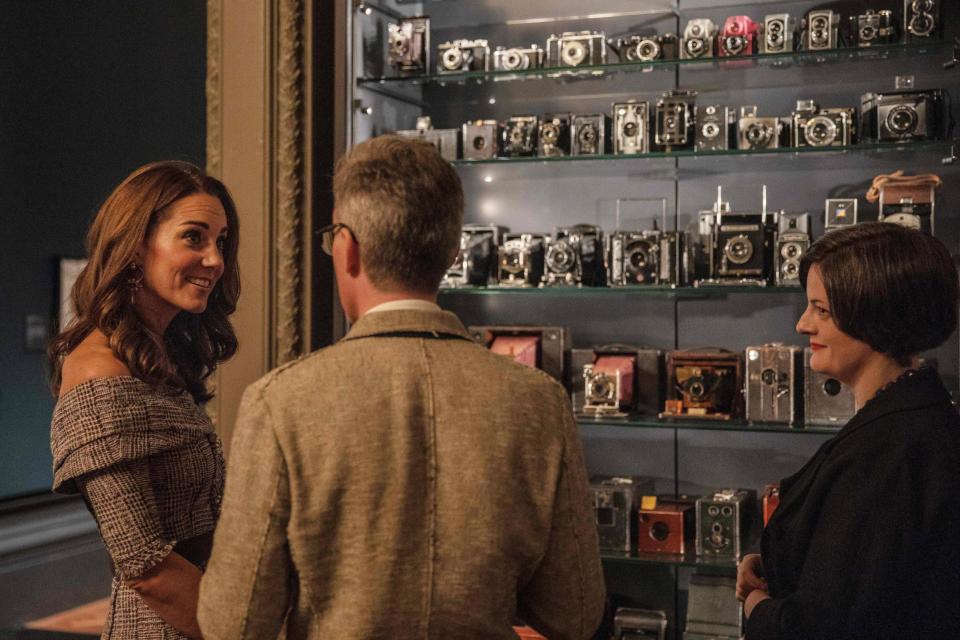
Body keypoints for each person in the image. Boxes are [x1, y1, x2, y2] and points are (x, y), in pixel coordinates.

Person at [197, 135, 605, 640]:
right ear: (453, 253)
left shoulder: (282, 402)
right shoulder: (538, 401)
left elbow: (233, 624)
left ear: (347, 249)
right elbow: (576, 611)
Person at [736, 222, 960, 639]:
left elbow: (825, 625)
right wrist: (778, 564)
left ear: (876, 313)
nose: (803, 325)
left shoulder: (887, 452)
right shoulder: (910, 420)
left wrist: (755, 605)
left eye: (821, 310)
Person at [48, 161, 240, 639]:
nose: (214, 260)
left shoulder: (157, 357)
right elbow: (145, 566)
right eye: (194, 237)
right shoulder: (98, 371)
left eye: (220, 241)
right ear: (135, 245)